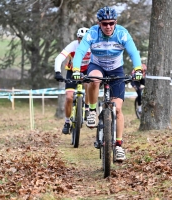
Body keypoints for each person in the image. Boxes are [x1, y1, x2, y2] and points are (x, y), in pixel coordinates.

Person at [71, 6, 143, 161]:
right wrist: (76, 70)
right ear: (99, 23)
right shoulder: (92, 33)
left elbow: (133, 52)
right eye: (105, 24)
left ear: (115, 22)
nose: (108, 26)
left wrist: (137, 69)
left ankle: (118, 146)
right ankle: (91, 111)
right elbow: (80, 52)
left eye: (111, 23)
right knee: (94, 79)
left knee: (117, 110)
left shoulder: (122, 33)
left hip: (116, 69)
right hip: (97, 66)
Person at [54, 27, 91, 134]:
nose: (82, 41)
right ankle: (66, 122)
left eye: (85, 39)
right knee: (69, 97)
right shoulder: (73, 45)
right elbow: (59, 58)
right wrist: (57, 72)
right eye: (80, 38)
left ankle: (87, 109)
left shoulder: (93, 46)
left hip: (87, 70)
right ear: (77, 38)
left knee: (89, 86)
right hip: (72, 71)